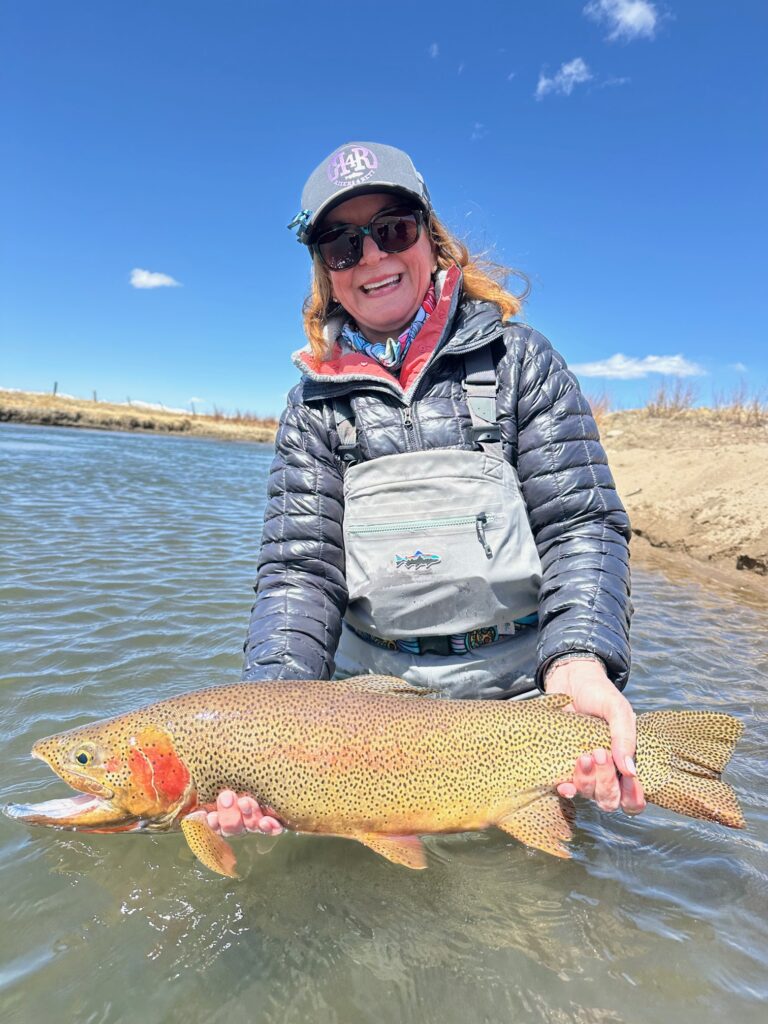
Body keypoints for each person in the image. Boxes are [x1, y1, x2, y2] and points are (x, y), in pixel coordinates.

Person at [207, 141, 645, 839]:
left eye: (392, 229)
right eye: (342, 244)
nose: (373, 257)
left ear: (430, 237)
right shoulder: (313, 407)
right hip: (365, 733)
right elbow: (300, 572)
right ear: (325, 270)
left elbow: (581, 524)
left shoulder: (518, 361)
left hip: (520, 708)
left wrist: (578, 660)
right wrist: (265, 722)